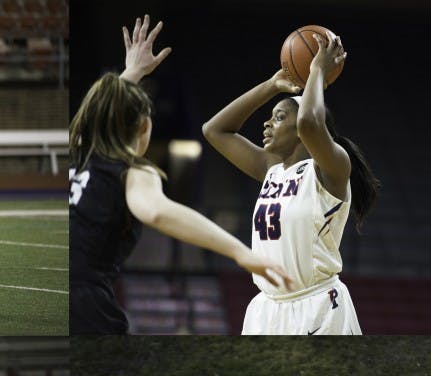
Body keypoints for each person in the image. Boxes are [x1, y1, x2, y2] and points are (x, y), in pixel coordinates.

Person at [69, 15, 293, 335]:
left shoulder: (80, 153)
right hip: (84, 305)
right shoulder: (131, 170)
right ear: (145, 126)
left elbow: (98, 116)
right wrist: (240, 252)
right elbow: (157, 211)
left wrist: (133, 71)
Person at [202, 29, 381, 335]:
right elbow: (214, 130)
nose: (268, 122)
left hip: (317, 306)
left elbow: (310, 122)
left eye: (279, 117)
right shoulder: (271, 169)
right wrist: (271, 86)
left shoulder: (332, 168)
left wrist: (316, 72)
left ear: (299, 131)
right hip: (267, 308)